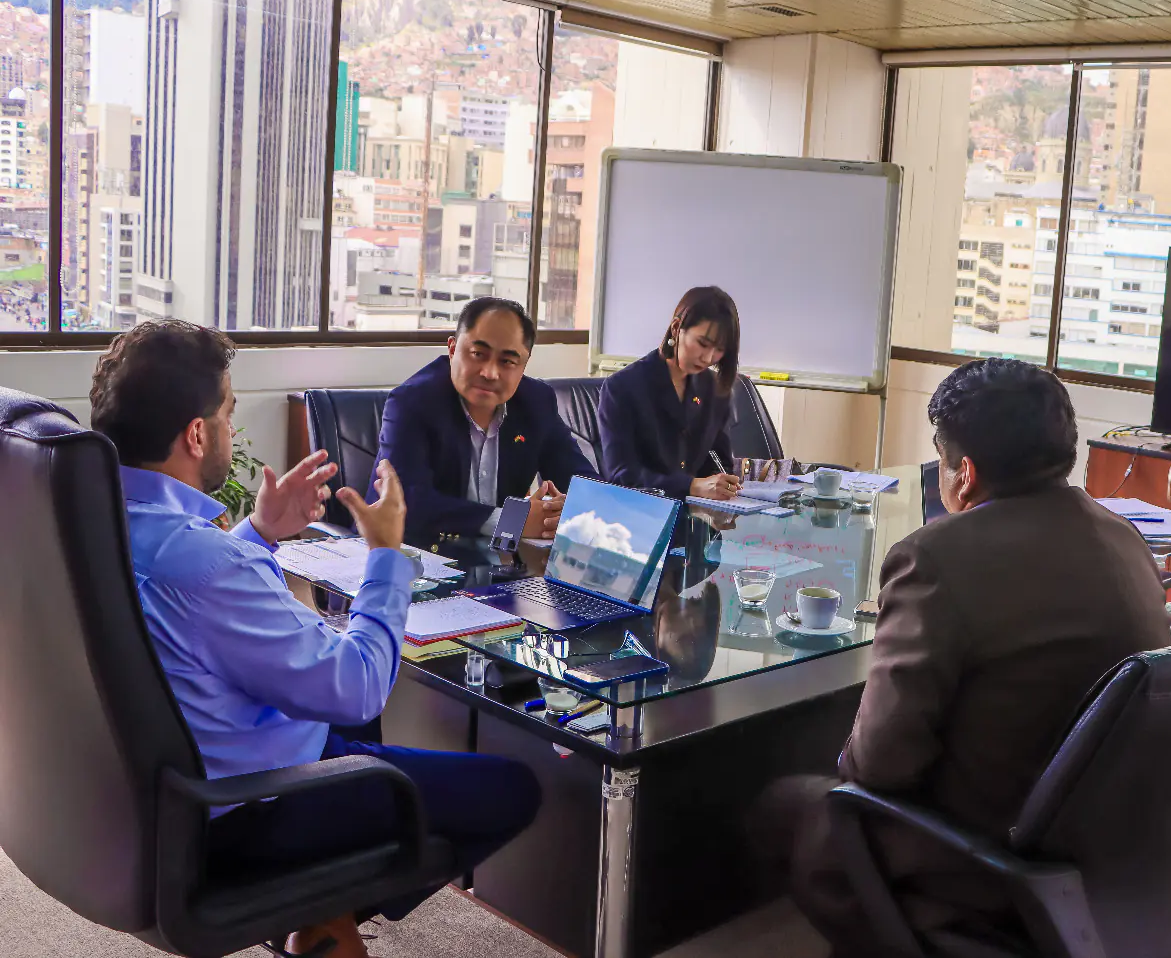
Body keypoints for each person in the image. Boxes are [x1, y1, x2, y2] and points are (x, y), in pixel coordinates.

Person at [90, 321, 539, 958]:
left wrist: (260, 532)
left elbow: (184, 597)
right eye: (227, 413)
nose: (230, 430)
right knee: (512, 790)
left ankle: (324, 922)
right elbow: (358, 688)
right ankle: (319, 912)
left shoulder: (93, 522)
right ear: (196, 434)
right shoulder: (208, 565)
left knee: (362, 737)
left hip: (153, 800)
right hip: (244, 814)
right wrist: (387, 556)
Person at [759, 359, 1170, 955]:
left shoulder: (935, 557)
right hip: (1106, 843)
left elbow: (881, 768)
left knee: (786, 803)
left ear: (964, 473)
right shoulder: (1121, 535)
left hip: (989, 856)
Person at [371, 296, 595, 540]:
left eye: (507, 361)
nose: (489, 373)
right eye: (478, 354)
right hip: (405, 558)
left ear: (524, 365)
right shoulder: (412, 402)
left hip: (492, 564)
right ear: (453, 349)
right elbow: (408, 505)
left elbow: (584, 482)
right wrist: (512, 521)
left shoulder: (536, 401)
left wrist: (568, 509)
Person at [597, 286, 742, 501]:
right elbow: (622, 476)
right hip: (641, 514)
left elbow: (719, 462)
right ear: (676, 328)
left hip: (699, 519)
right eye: (702, 343)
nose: (708, 357)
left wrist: (721, 484)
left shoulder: (715, 389)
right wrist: (691, 486)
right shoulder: (623, 387)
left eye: (720, 349)